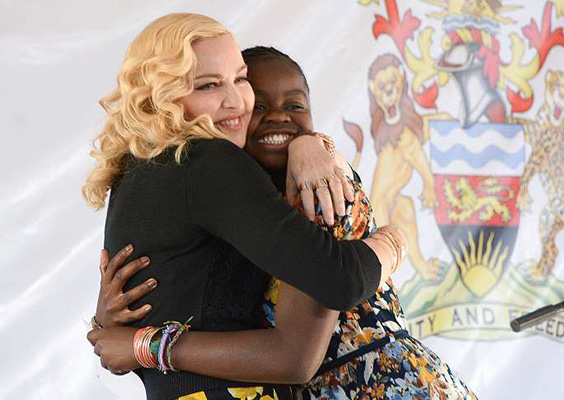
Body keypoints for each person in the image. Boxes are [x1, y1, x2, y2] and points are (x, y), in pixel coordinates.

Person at [88, 41, 478, 399]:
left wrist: (144, 345)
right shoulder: (239, 199)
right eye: (259, 105)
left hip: (383, 387)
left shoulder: (315, 187)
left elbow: (295, 357)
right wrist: (107, 322)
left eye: (295, 106)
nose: (279, 118)